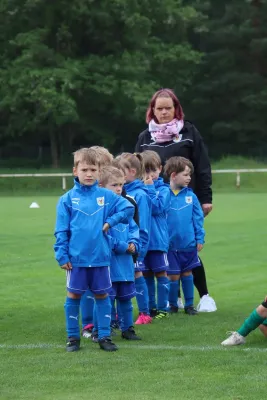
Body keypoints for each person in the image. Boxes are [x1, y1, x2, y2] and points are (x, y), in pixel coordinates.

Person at [135, 88, 216, 313]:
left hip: (187, 201)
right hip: (157, 205)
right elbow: (135, 171)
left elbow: (202, 165)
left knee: (190, 248)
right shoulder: (145, 137)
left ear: (175, 109)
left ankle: (205, 296)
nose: (163, 112)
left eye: (167, 108)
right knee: (165, 249)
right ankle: (174, 298)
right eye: (159, 108)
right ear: (152, 110)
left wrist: (205, 198)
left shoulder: (189, 131)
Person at [54, 148, 134, 352]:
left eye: (93, 169)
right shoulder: (67, 199)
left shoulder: (107, 196)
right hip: (76, 260)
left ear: (99, 171)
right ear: (75, 171)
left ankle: (104, 337)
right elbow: (61, 230)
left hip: (101, 259)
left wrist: (110, 221)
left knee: (102, 296)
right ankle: (73, 338)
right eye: (84, 169)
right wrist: (61, 254)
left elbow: (128, 209)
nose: (89, 174)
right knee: (73, 297)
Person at [97, 166, 141, 340]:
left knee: (126, 300)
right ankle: (103, 331)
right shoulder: (101, 210)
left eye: (121, 185)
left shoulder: (126, 209)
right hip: (108, 265)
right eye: (114, 185)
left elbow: (134, 228)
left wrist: (133, 243)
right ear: (101, 186)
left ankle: (127, 329)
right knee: (106, 300)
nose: (118, 189)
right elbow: (102, 236)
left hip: (125, 264)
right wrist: (122, 246)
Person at [164, 156, 205, 315]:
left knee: (187, 273)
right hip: (169, 245)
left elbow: (198, 219)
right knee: (173, 276)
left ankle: (189, 305)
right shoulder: (163, 195)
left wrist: (199, 238)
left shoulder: (191, 196)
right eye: (186, 174)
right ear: (174, 175)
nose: (189, 178)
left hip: (188, 244)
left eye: (190, 175)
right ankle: (173, 305)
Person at [80, 146, 114, 339]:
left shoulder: (111, 194)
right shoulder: (81, 195)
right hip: (84, 252)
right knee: (85, 289)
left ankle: (107, 321)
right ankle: (88, 324)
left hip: (106, 250)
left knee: (107, 288)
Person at [116, 153, 152, 324]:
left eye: (119, 171)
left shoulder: (140, 195)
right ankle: (120, 314)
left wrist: (140, 250)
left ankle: (144, 313)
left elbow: (142, 225)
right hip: (125, 247)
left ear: (131, 172)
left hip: (137, 247)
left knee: (137, 275)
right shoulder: (123, 192)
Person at [141, 150, 171, 319]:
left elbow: (158, 207)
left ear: (160, 169)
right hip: (143, 243)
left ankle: (163, 308)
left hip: (158, 241)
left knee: (161, 274)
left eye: (153, 170)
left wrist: (150, 188)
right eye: (145, 171)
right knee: (146, 276)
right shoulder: (140, 189)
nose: (149, 175)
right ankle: (150, 307)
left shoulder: (164, 190)